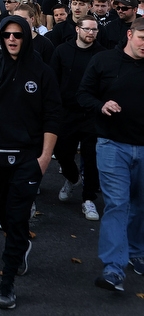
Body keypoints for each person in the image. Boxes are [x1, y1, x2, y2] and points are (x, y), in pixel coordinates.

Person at [0, 16, 61, 309]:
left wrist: (44, 158)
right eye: (7, 34)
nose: (12, 40)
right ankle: (20, 245)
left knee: (18, 217)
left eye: (18, 35)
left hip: (28, 157)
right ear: (1, 36)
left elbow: (52, 116)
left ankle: (7, 282)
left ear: (26, 37)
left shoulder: (42, 71)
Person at [77, 16, 144, 292]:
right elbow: (83, 94)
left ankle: (137, 251)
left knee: (140, 205)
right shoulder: (104, 61)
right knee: (117, 204)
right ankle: (114, 268)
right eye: (143, 38)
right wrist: (101, 104)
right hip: (111, 145)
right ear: (130, 34)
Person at [49, 15, 105, 222]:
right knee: (63, 152)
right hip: (66, 112)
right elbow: (53, 81)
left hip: (92, 113)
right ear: (77, 29)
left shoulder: (101, 54)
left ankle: (88, 199)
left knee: (91, 157)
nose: (91, 33)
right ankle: (72, 178)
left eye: (94, 30)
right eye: (87, 29)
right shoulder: (62, 51)